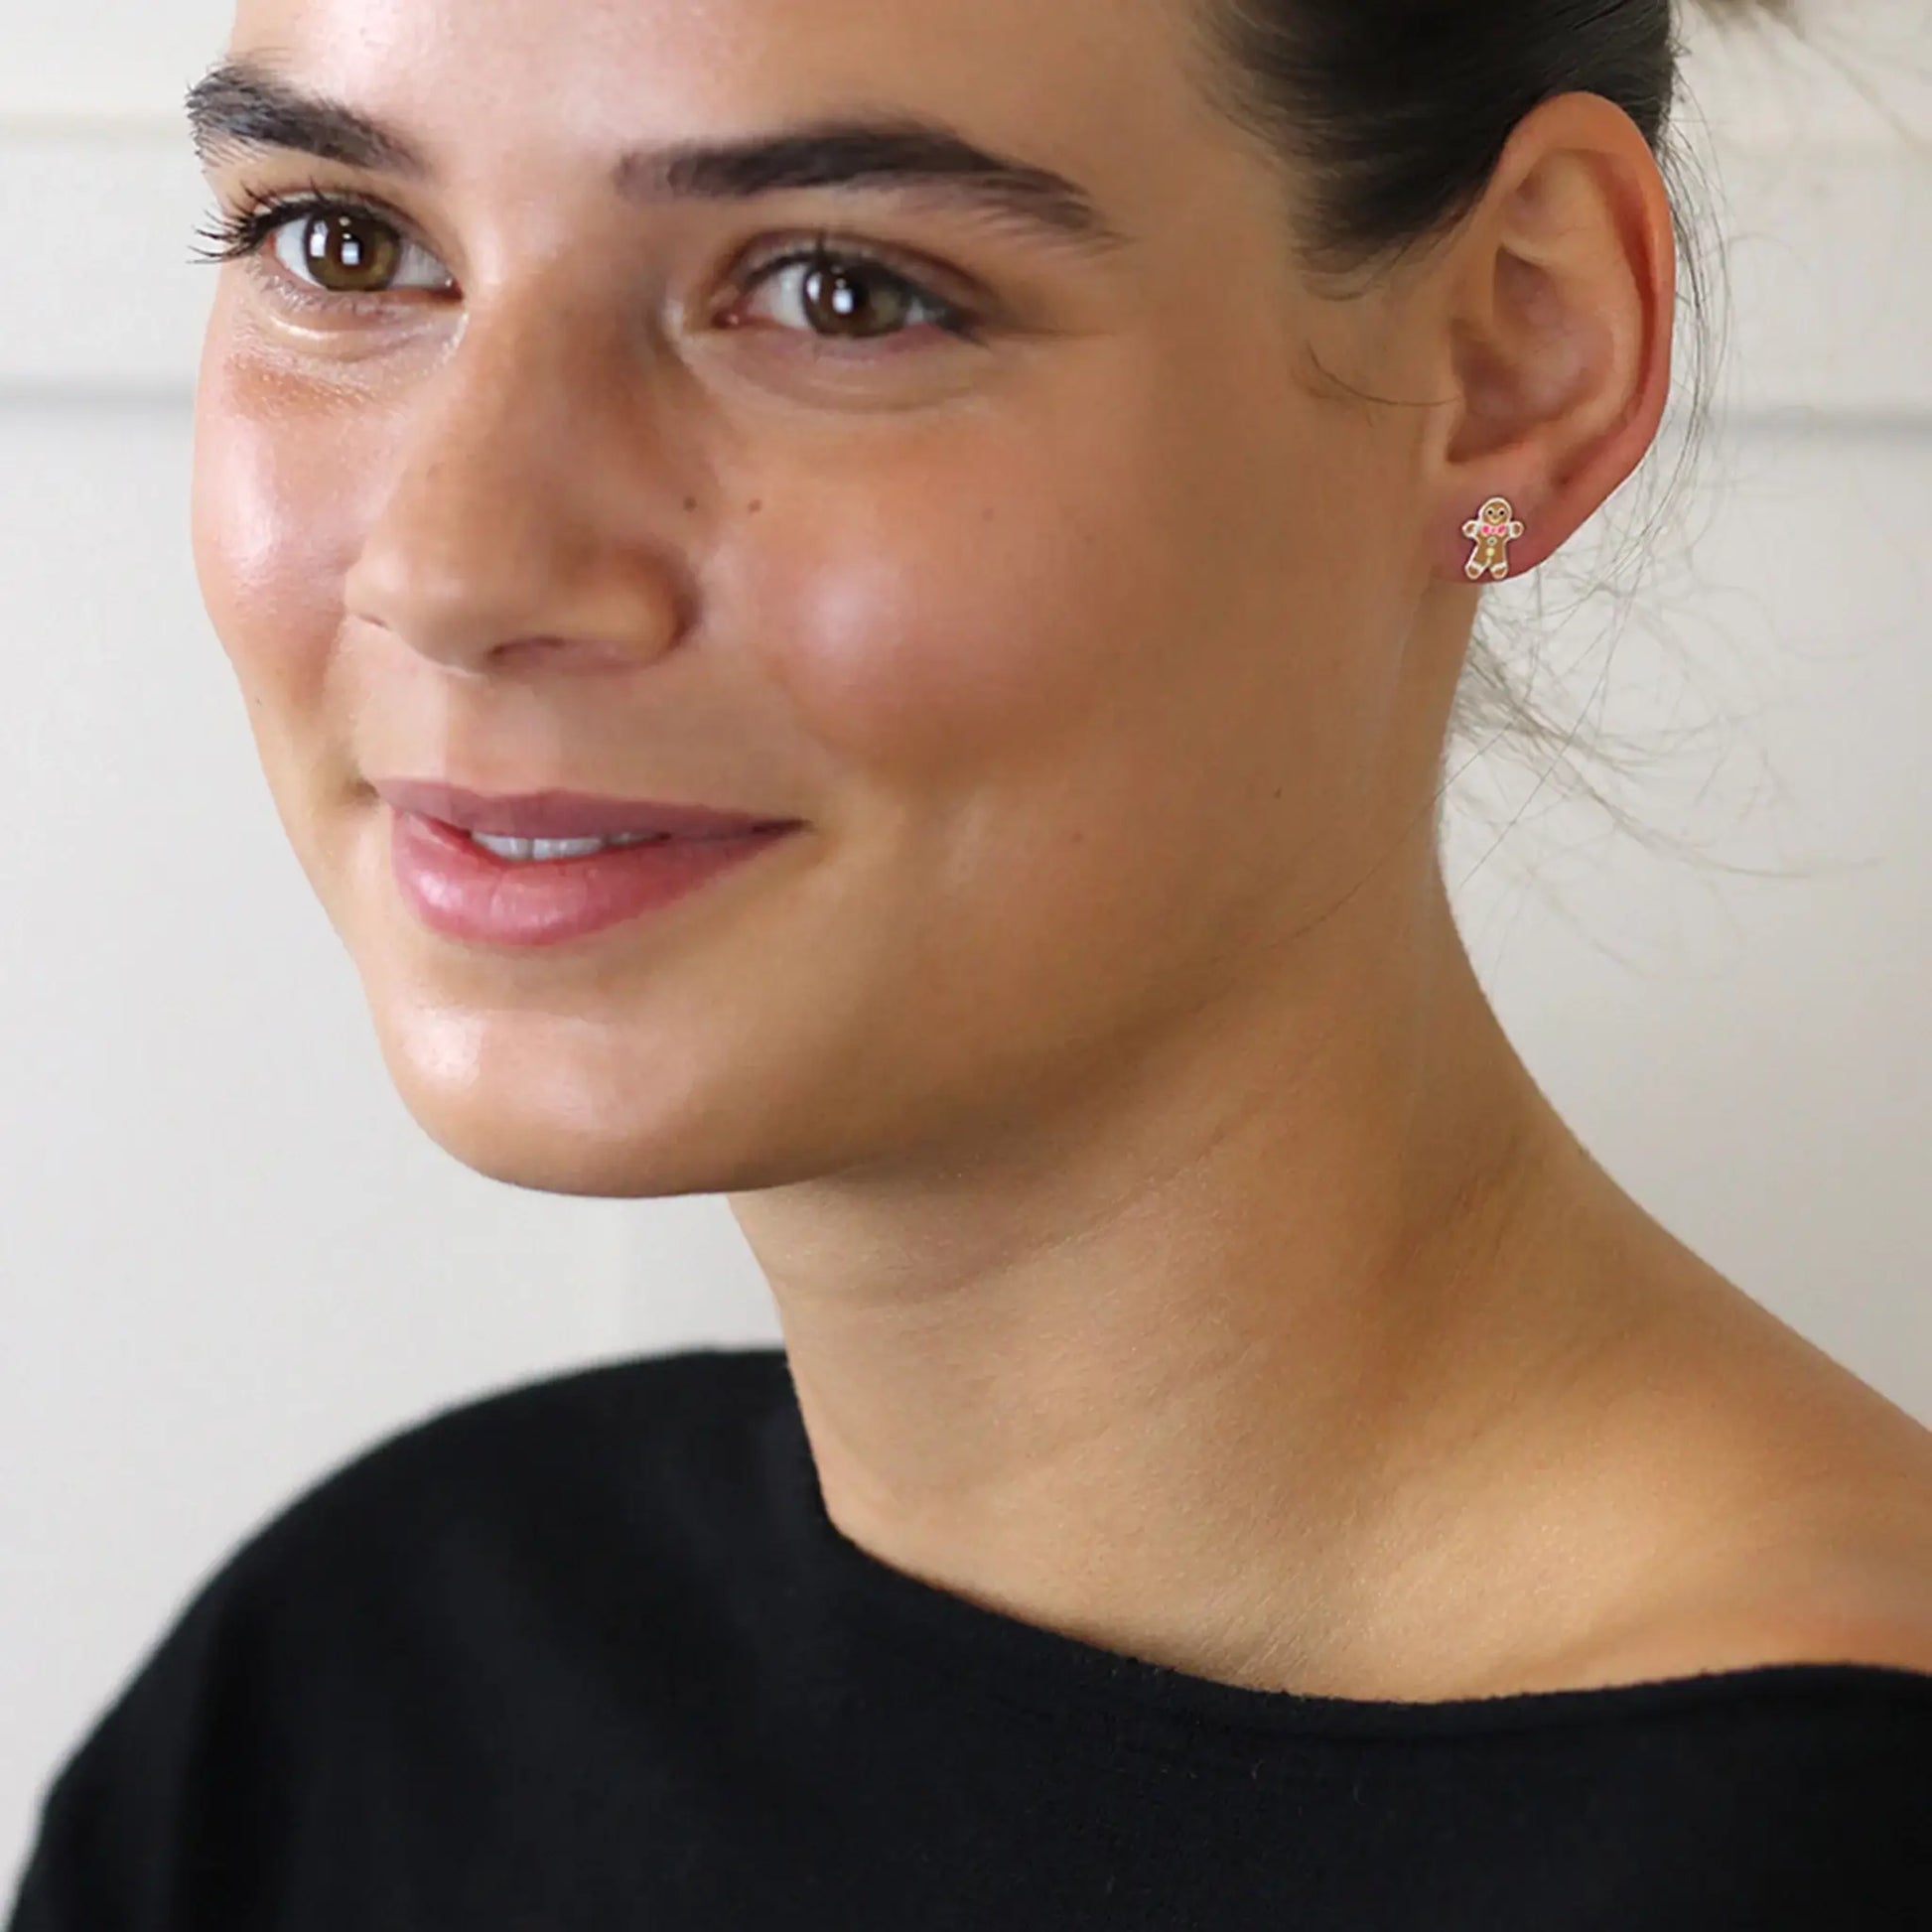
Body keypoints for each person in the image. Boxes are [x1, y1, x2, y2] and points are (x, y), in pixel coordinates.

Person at [10, 0, 1930, 1923]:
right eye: (344, 244)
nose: (453, 568)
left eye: (837, 292)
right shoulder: (350, 1702)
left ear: (1515, 350)